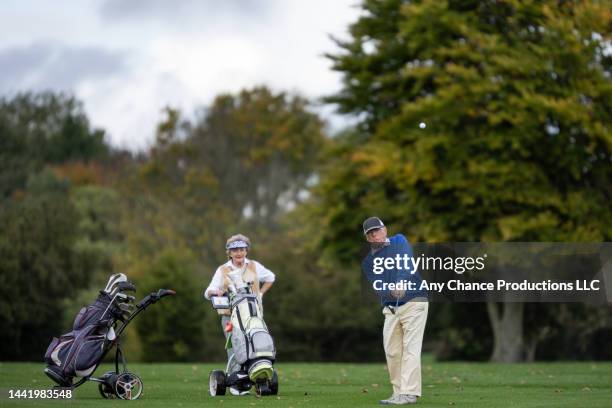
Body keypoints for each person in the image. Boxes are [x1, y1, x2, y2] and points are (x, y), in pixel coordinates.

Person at [361, 217, 428, 405]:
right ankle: (398, 392)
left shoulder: (399, 240)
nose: (375, 235)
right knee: (392, 352)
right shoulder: (369, 262)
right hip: (390, 308)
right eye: (370, 233)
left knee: (411, 349)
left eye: (377, 230)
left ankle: (410, 393)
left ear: (385, 230)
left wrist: (400, 282)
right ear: (367, 238)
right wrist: (389, 289)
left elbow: (405, 262)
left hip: (415, 301)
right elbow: (378, 285)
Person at [204, 234, 275, 396]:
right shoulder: (222, 270)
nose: (238, 253)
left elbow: (271, 277)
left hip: (253, 314)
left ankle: (258, 373)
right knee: (236, 347)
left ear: (246, 251)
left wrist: (261, 294)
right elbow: (207, 292)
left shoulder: (254, 266)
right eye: (235, 250)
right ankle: (237, 384)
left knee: (257, 343)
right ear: (229, 252)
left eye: (242, 250)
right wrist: (217, 292)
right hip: (231, 317)